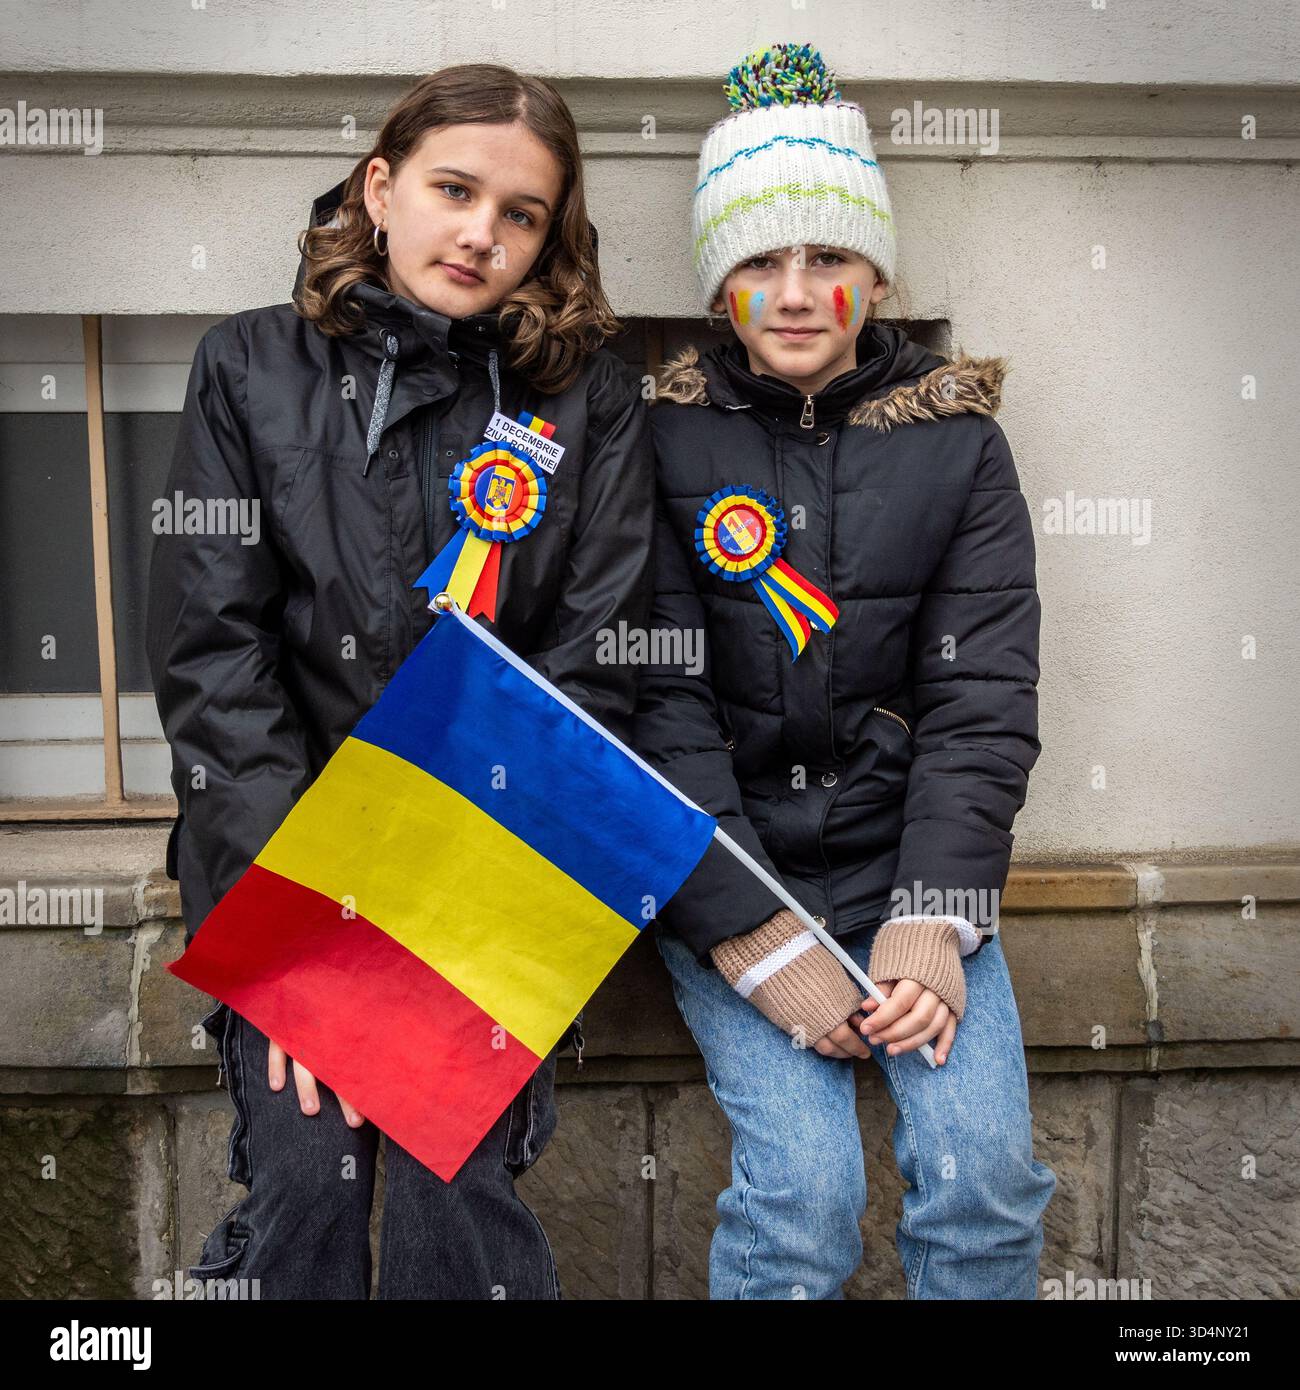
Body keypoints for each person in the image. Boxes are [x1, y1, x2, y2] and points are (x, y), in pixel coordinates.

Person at [147, 64, 654, 1299]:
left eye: (522, 213)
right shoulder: (248, 369)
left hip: (490, 889)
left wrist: (442, 937)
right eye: (454, 189)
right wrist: (311, 956)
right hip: (289, 878)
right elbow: (218, 661)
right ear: (381, 188)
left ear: (551, 237)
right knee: (310, 1175)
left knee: (451, 1178)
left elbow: (591, 672)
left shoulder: (588, 400)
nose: (482, 232)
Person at [634, 42, 1057, 1299]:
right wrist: (751, 934)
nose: (797, 290)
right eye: (760, 260)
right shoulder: (654, 442)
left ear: (875, 274)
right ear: (721, 289)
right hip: (729, 875)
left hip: (907, 866)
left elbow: (980, 700)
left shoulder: (959, 447)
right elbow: (655, 702)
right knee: (802, 1198)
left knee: (982, 1179)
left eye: (828, 257)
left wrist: (937, 912)